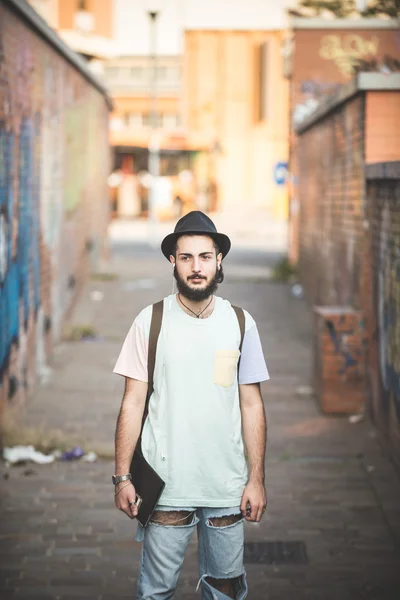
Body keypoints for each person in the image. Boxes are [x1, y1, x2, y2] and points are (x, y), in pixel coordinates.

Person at [113, 211, 269, 600]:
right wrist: (121, 477)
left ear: (219, 261)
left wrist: (256, 479)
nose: (196, 267)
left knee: (225, 591)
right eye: (186, 257)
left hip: (226, 488)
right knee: (156, 592)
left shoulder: (240, 322)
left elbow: (251, 405)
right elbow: (132, 402)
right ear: (173, 262)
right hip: (166, 486)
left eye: (204, 256)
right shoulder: (150, 321)